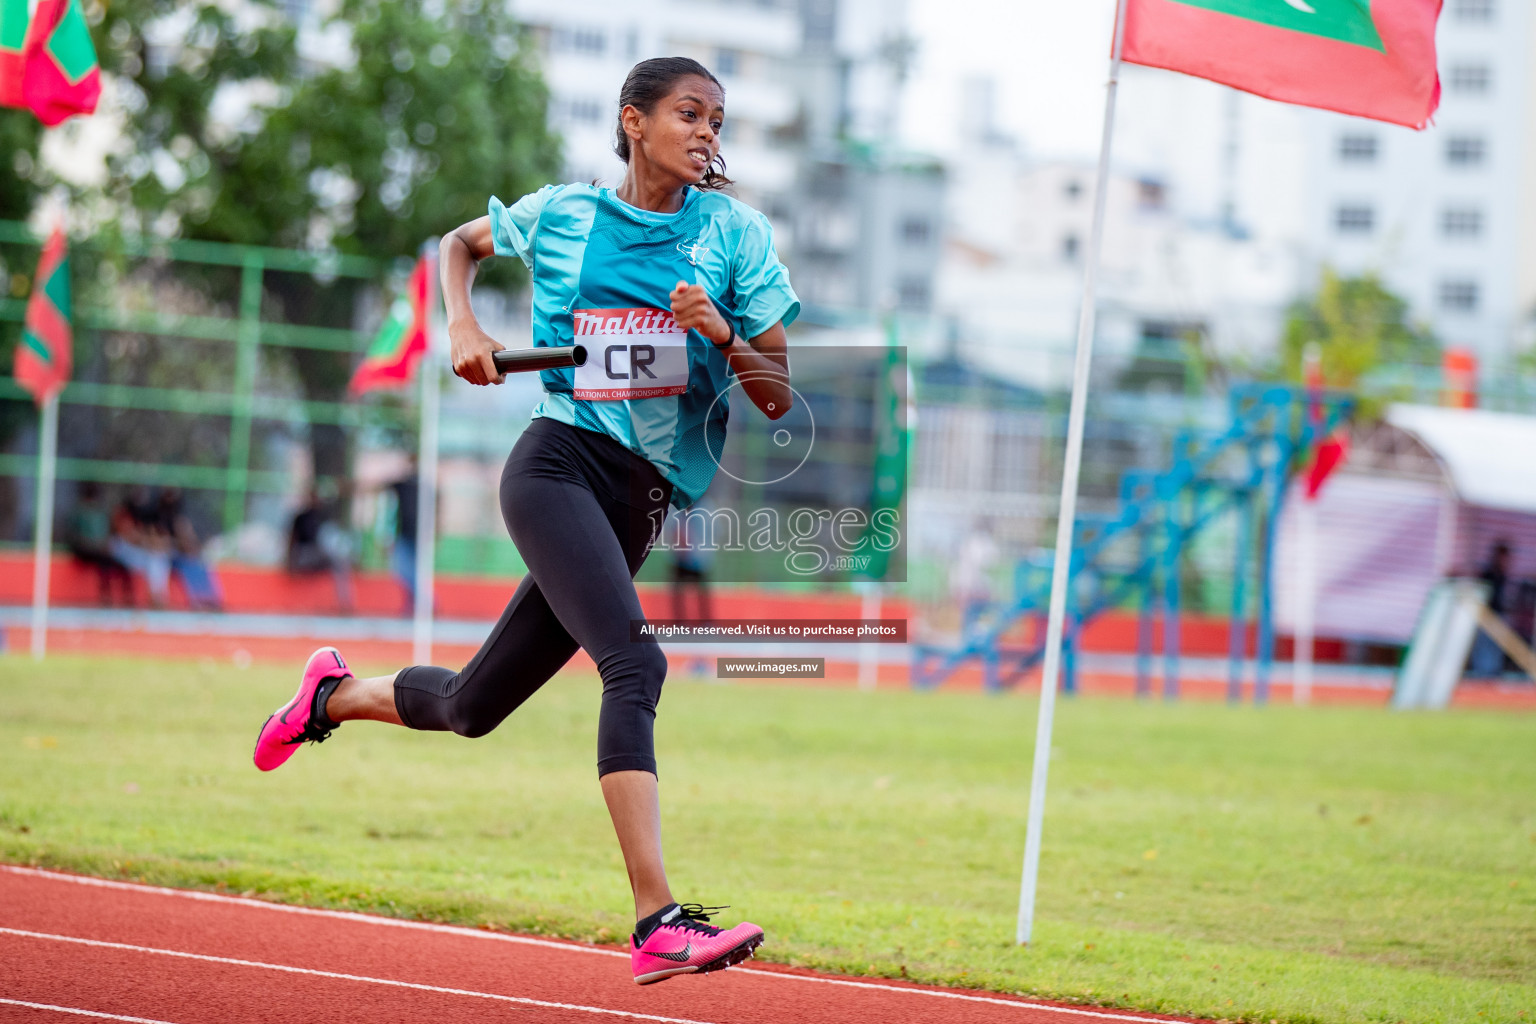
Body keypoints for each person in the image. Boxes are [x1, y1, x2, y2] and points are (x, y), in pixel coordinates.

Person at [252, 57, 797, 985]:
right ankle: (658, 921)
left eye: (718, 120)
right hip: (555, 464)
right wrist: (463, 327)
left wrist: (721, 335)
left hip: (641, 500)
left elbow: (778, 397)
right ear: (634, 121)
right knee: (636, 659)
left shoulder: (736, 237)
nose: (708, 133)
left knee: (472, 708)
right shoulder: (565, 213)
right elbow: (455, 247)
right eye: (689, 114)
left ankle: (328, 696)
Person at [286, 485, 355, 613]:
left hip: (319, 557)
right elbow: (291, 540)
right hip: (304, 555)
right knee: (330, 554)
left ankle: (345, 604)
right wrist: (290, 563)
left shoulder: (322, 519)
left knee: (339, 562)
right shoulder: (301, 517)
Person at [66, 482, 132, 606]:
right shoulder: (80, 512)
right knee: (104, 563)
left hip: (98, 550)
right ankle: (105, 597)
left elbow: (105, 535)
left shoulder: (100, 513)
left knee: (123, 565)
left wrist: (103, 545)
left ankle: (128, 598)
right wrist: (94, 545)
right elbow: (75, 537)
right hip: (84, 551)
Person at [157, 488, 223, 611]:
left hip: (181, 554)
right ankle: (197, 600)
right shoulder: (158, 515)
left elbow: (188, 540)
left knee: (201, 563)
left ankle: (211, 599)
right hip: (167, 555)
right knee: (182, 565)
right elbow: (161, 542)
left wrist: (189, 546)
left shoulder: (180, 517)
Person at [109, 488, 172, 607]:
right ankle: (155, 598)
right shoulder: (123, 514)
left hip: (139, 554)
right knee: (154, 559)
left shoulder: (142, 517)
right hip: (123, 552)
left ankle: (158, 597)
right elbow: (131, 537)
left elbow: (152, 540)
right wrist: (148, 541)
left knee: (159, 559)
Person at [1470, 540, 1514, 677]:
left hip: (1497, 616)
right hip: (1487, 616)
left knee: (1494, 648)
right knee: (1485, 647)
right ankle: (1483, 674)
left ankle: (1491, 674)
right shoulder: (1489, 575)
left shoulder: (1501, 575)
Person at [389, 461, 420, 615]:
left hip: (417, 535)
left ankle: (426, 602)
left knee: (406, 570)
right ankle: (413, 605)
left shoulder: (423, 486)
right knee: (404, 570)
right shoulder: (403, 485)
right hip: (405, 533)